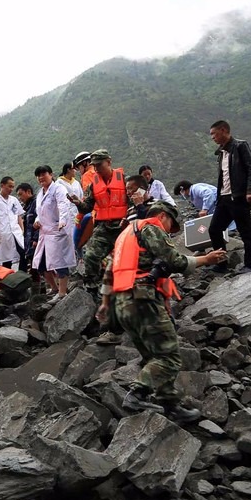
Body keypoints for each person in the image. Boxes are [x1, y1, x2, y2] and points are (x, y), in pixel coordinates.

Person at [96, 201, 227, 423]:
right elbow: (174, 260)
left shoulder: (124, 236)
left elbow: (109, 271)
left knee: (154, 357)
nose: (169, 231)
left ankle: (170, 405)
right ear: (163, 216)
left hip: (122, 304)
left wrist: (105, 303)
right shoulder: (150, 228)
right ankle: (137, 394)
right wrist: (206, 259)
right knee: (169, 358)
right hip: (142, 299)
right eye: (170, 226)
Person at [69, 149, 128, 344]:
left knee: (123, 264)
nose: (97, 169)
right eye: (94, 166)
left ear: (109, 162)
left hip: (123, 226)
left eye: (99, 165)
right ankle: (93, 287)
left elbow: (136, 202)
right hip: (103, 227)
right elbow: (87, 206)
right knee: (91, 255)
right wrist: (78, 203)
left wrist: (131, 219)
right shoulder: (93, 184)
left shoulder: (124, 179)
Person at [208, 120, 251, 273]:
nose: (212, 137)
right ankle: (221, 263)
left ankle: (250, 265)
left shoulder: (240, 146)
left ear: (223, 130)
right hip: (224, 198)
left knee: (245, 231)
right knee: (214, 229)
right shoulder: (221, 152)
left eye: (214, 134)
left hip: (238, 197)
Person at [32, 166, 76, 302]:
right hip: (45, 233)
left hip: (57, 230)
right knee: (41, 264)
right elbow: (40, 212)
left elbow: (63, 205)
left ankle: (62, 293)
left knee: (60, 262)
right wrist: (37, 221)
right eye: (38, 175)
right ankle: (54, 288)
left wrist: (62, 221)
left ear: (51, 174)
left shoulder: (58, 189)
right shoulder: (40, 193)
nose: (41, 177)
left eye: (43, 174)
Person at [0, 177, 25, 268]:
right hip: (3, 234)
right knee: (6, 260)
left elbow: (18, 215)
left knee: (23, 253)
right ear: (2, 185)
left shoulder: (14, 200)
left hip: (16, 233)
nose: (11, 189)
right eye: (9, 186)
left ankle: (22, 274)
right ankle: (7, 276)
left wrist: (22, 230)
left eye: (13, 187)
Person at [18, 183, 37, 274]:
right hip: (30, 243)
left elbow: (40, 221)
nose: (20, 198)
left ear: (28, 192)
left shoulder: (36, 204)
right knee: (34, 268)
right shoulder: (28, 207)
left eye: (21, 194)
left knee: (38, 267)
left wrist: (36, 239)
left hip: (35, 242)